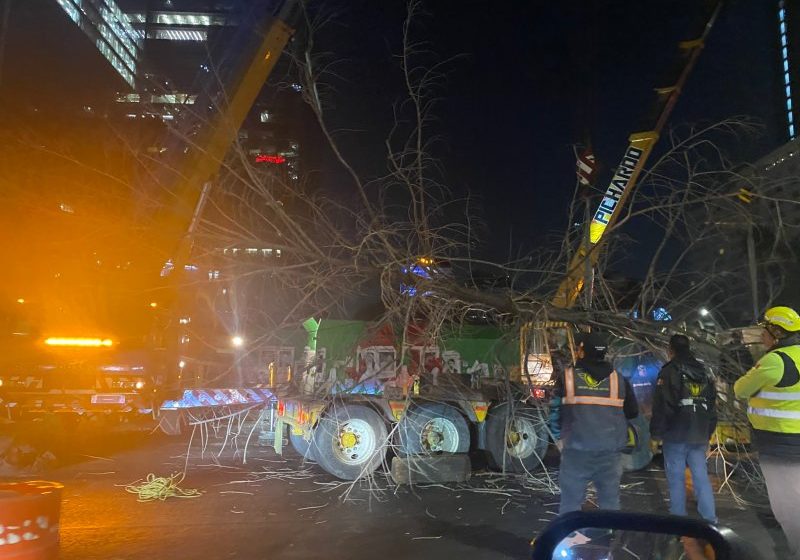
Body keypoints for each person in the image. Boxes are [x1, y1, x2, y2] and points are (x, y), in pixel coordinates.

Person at [734, 306, 800, 560]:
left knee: (786, 505)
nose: (761, 335)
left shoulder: (775, 360)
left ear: (776, 332)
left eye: (765, 330)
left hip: (780, 445)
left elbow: (740, 388)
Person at [550, 331, 639, 514]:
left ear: (582, 351)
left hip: (576, 452)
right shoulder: (619, 380)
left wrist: (558, 437)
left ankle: (570, 538)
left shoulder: (567, 378)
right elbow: (632, 412)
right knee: (609, 501)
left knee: (570, 503)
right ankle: (609, 535)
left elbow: (554, 410)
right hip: (609, 452)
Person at [650, 334, 717, 522]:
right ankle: (710, 518)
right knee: (701, 476)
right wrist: (708, 433)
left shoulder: (669, 371)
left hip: (676, 434)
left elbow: (663, 406)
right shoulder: (704, 372)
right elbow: (712, 407)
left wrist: (656, 434)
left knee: (676, 477)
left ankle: (678, 519)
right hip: (699, 433)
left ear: (670, 349)